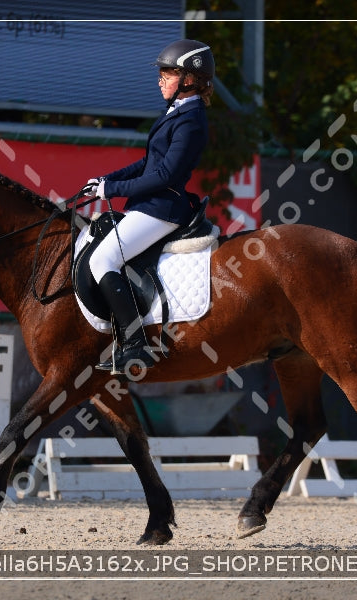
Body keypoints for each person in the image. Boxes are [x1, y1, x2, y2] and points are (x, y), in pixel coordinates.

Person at [84, 39, 215, 376]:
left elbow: (165, 174)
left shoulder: (192, 118)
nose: (160, 80)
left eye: (166, 74)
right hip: (149, 204)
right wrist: (105, 179)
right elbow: (148, 162)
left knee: (102, 258)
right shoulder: (177, 111)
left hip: (162, 208)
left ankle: (135, 344)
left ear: (189, 78)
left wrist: (113, 189)